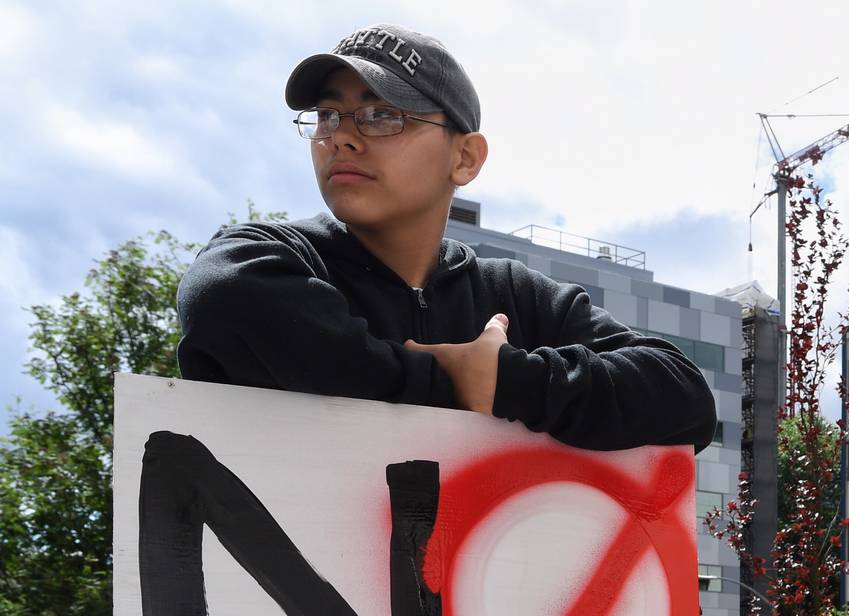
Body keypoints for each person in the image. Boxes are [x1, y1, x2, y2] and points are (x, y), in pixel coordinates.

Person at [178, 25, 714, 452]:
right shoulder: (269, 260)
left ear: (465, 157)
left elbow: (685, 398)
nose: (340, 136)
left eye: (380, 115)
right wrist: (459, 385)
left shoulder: (515, 295)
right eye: (327, 115)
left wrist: (514, 381)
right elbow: (220, 298)